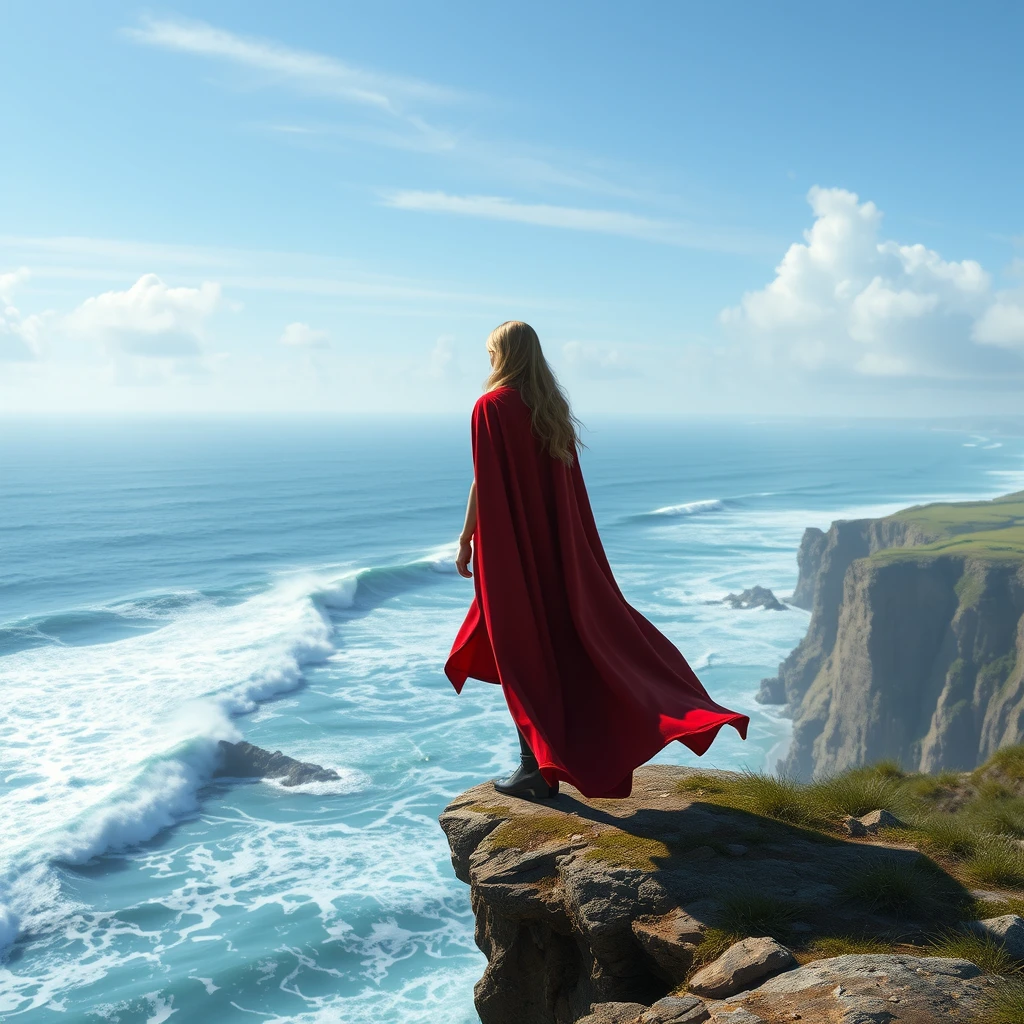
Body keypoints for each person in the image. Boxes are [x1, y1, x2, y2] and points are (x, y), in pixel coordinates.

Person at [444, 321, 749, 800]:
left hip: (512, 556)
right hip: (557, 555)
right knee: (559, 649)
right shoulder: (550, 408)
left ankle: (535, 771)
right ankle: (541, 765)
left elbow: (485, 480)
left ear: (502, 355)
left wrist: (466, 539)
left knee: (520, 653)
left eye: (490, 354)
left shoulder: (490, 407)